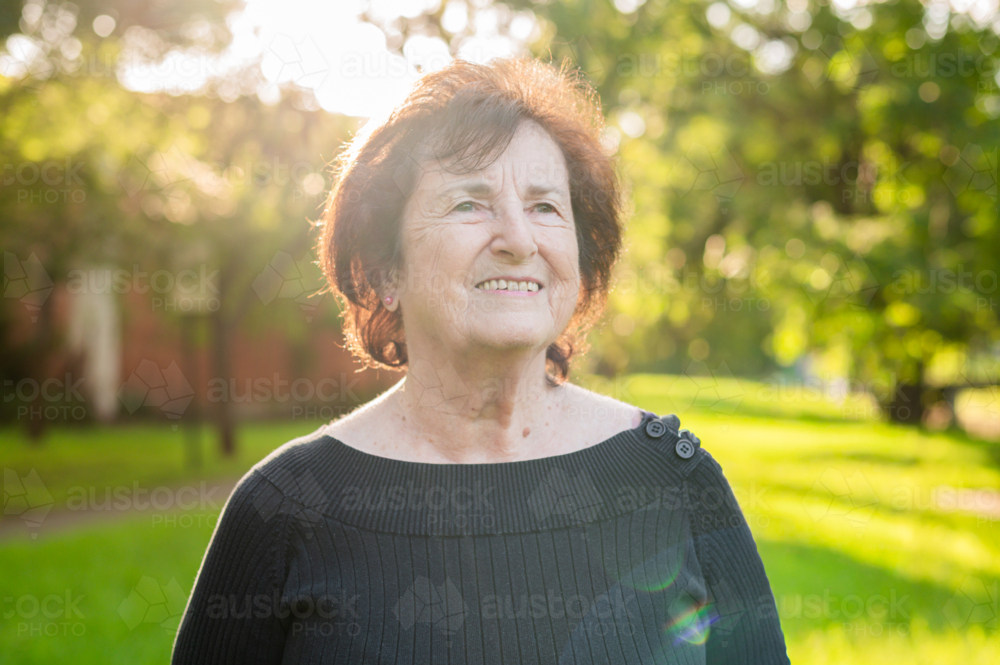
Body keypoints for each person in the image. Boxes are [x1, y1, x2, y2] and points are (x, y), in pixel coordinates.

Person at [172, 56, 790, 664]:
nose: (520, 240)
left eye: (546, 206)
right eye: (470, 203)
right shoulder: (284, 508)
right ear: (385, 269)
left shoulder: (673, 479)